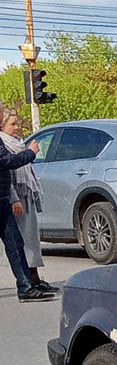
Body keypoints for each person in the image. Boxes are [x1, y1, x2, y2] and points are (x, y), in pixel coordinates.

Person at [2, 109, 55, 294]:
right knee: (19, 242)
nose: (17, 128)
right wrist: (15, 198)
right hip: (12, 197)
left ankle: (30, 282)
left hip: (18, 196)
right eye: (12, 124)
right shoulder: (4, 144)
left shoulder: (17, 143)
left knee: (23, 242)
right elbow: (7, 166)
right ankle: (28, 283)